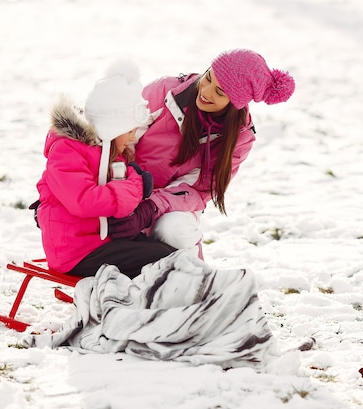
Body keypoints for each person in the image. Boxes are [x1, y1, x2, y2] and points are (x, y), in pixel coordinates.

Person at [108, 49, 295, 257]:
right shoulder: (166, 92)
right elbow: (120, 138)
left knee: (174, 229)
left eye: (220, 92)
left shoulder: (239, 139)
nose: (206, 92)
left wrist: (150, 207)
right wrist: (127, 189)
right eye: (207, 79)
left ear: (235, 102)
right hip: (123, 183)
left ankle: (188, 277)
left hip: (173, 203)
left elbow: (198, 190)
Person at [35, 59, 176, 279]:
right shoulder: (67, 151)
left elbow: (124, 182)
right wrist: (136, 187)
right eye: (129, 130)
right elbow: (84, 201)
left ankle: (180, 297)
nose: (132, 137)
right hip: (75, 252)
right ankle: (142, 305)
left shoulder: (109, 151)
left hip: (102, 241)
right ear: (113, 126)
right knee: (159, 261)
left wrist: (133, 181)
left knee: (170, 256)